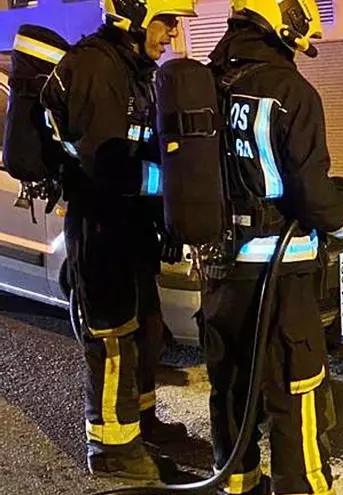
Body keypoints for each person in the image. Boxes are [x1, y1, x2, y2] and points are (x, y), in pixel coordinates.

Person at [201, 1, 343, 493]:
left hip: (220, 270)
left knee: (232, 384)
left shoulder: (206, 83)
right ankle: (302, 486)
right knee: (295, 387)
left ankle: (238, 483)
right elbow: (310, 193)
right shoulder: (290, 92)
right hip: (281, 275)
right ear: (285, 21)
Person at [40, 0, 197, 480]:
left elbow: (145, 148)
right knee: (112, 338)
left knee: (145, 328)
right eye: (167, 21)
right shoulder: (96, 67)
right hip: (101, 226)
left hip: (131, 224)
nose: (172, 34)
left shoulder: (133, 69)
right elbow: (108, 166)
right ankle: (111, 448)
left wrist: (164, 216)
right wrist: (173, 188)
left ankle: (141, 421)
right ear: (134, 11)